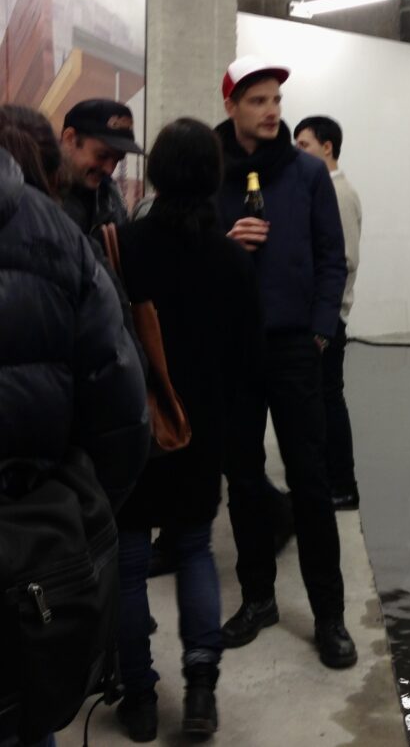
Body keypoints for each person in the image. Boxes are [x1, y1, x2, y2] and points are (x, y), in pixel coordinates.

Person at [0, 116, 150, 747]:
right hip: (31, 542)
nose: (108, 168)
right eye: (101, 154)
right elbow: (121, 413)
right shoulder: (57, 233)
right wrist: (79, 516)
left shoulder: (91, 218)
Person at [111, 119, 263, 741]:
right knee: (196, 548)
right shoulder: (231, 259)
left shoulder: (123, 245)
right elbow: (248, 358)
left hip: (132, 425)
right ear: (213, 178)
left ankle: (140, 698)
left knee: (128, 561)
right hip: (201, 426)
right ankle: (201, 690)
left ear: (156, 173)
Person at [214, 56, 356, 670]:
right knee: (243, 480)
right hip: (234, 347)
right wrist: (224, 246)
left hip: (296, 346)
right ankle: (259, 599)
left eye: (276, 99)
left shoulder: (307, 173)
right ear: (231, 107)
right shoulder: (211, 172)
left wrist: (321, 328)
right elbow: (192, 255)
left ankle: (330, 616)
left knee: (311, 482)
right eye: (258, 100)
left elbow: (331, 255)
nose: (272, 111)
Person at [294, 116, 363, 511]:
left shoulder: (338, 194)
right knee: (320, 400)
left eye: (303, 145)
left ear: (327, 147)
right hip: (320, 314)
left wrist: (326, 320)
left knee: (328, 399)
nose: (297, 152)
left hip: (328, 317)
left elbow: (345, 259)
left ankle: (342, 485)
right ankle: (329, 481)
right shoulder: (322, 191)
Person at [58, 99, 142, 237]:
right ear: (69, 139)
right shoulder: (34, 196)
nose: (109, 170)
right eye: (102, 156)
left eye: (118, 160)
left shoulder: (110, 195)